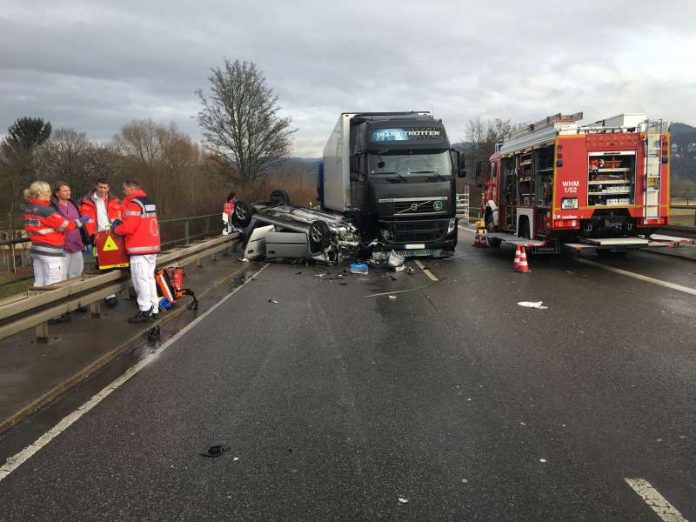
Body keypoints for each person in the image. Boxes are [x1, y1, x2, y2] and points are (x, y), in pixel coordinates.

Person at [23, 181, 89, 323]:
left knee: (40, 281)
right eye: (47, 191)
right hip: (50, 251)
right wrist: (81, 221)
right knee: (53, 282)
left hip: (37, 249)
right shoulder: (46, 211)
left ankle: (39, 310)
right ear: (41, 193)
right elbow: (66, 225)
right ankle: (54, 315)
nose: (49, 194)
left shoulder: (29, 209)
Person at [111, 179, 161, 323]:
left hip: (139, 247)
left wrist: (116, 229)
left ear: (132, 188)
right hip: (151, 246)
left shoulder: (133, 204)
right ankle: (154, 307)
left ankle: (145, 310)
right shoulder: (148, 202)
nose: (123, 191)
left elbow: (128, 227)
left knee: (140, 280)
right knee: (149, 278)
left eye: (124, 188)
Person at [79, 178, 121, 307]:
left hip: (114, 236)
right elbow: (81, 223)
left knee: (115, 265)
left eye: (105, 187)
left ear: (109, 188)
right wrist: (86, 239)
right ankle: (109, 295)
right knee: (101, 265)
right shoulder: (85, 202)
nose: (102, 190)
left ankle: (112, 292)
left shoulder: (115, 201)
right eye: (100, 187)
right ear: (96, 187)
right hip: (96, 238)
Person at [51, 181, 87, 281]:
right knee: (62, 275)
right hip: (63, 246)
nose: (68, 193)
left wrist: (86, 240)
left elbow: (80, 223)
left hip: (76, 244)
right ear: (57, 193)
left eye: (69, 190)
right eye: (65, 191)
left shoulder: (72, 204)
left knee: (76, 274)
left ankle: (76, 295)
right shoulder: (53, 207)